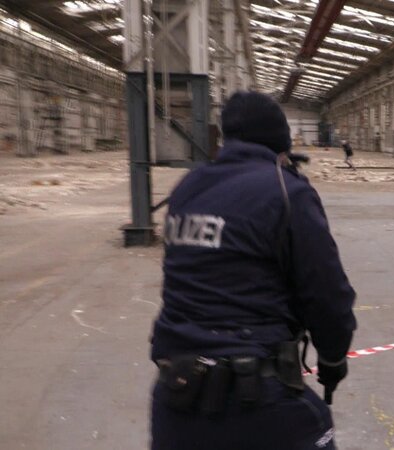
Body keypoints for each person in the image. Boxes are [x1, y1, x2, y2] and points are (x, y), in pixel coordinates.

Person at [150, 91, 357, 450]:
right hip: (255, 398)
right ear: (281, 145)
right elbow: (327, 295)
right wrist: (332, 359)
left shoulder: (187, 188)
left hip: (175, 393)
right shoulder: (286, 191)